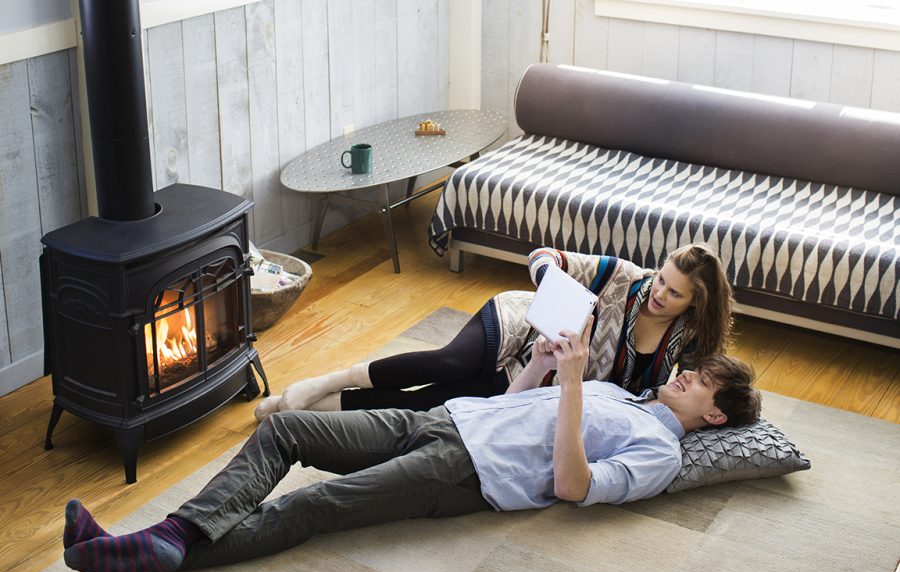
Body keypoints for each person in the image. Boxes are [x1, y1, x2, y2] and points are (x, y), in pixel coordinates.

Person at [62, 345, 760, 572]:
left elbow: (575, 487)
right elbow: (513, 409)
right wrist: (543, 369)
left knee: (314, 508)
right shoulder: (617, 391)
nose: (687, 375)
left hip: (462, 476)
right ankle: (175, 538)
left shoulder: (659, 451)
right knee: (287, 433)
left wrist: (573, 384)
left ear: (717, 415)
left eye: (702, 381)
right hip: (441, 421)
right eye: (692, 369)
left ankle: (157, 549)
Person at [255, 242, 735, 418]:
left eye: (674, 294)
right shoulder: (624, 276)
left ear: (696, 305)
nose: (659, 294)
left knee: (431, 402)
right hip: (516, 323)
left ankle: (311, 409)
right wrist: (553, 286)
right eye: (662, 279)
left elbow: (691, 393)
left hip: (533, 378)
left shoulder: (685, 343)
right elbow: (544, 256)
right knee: (444, 362)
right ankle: (326, 382)